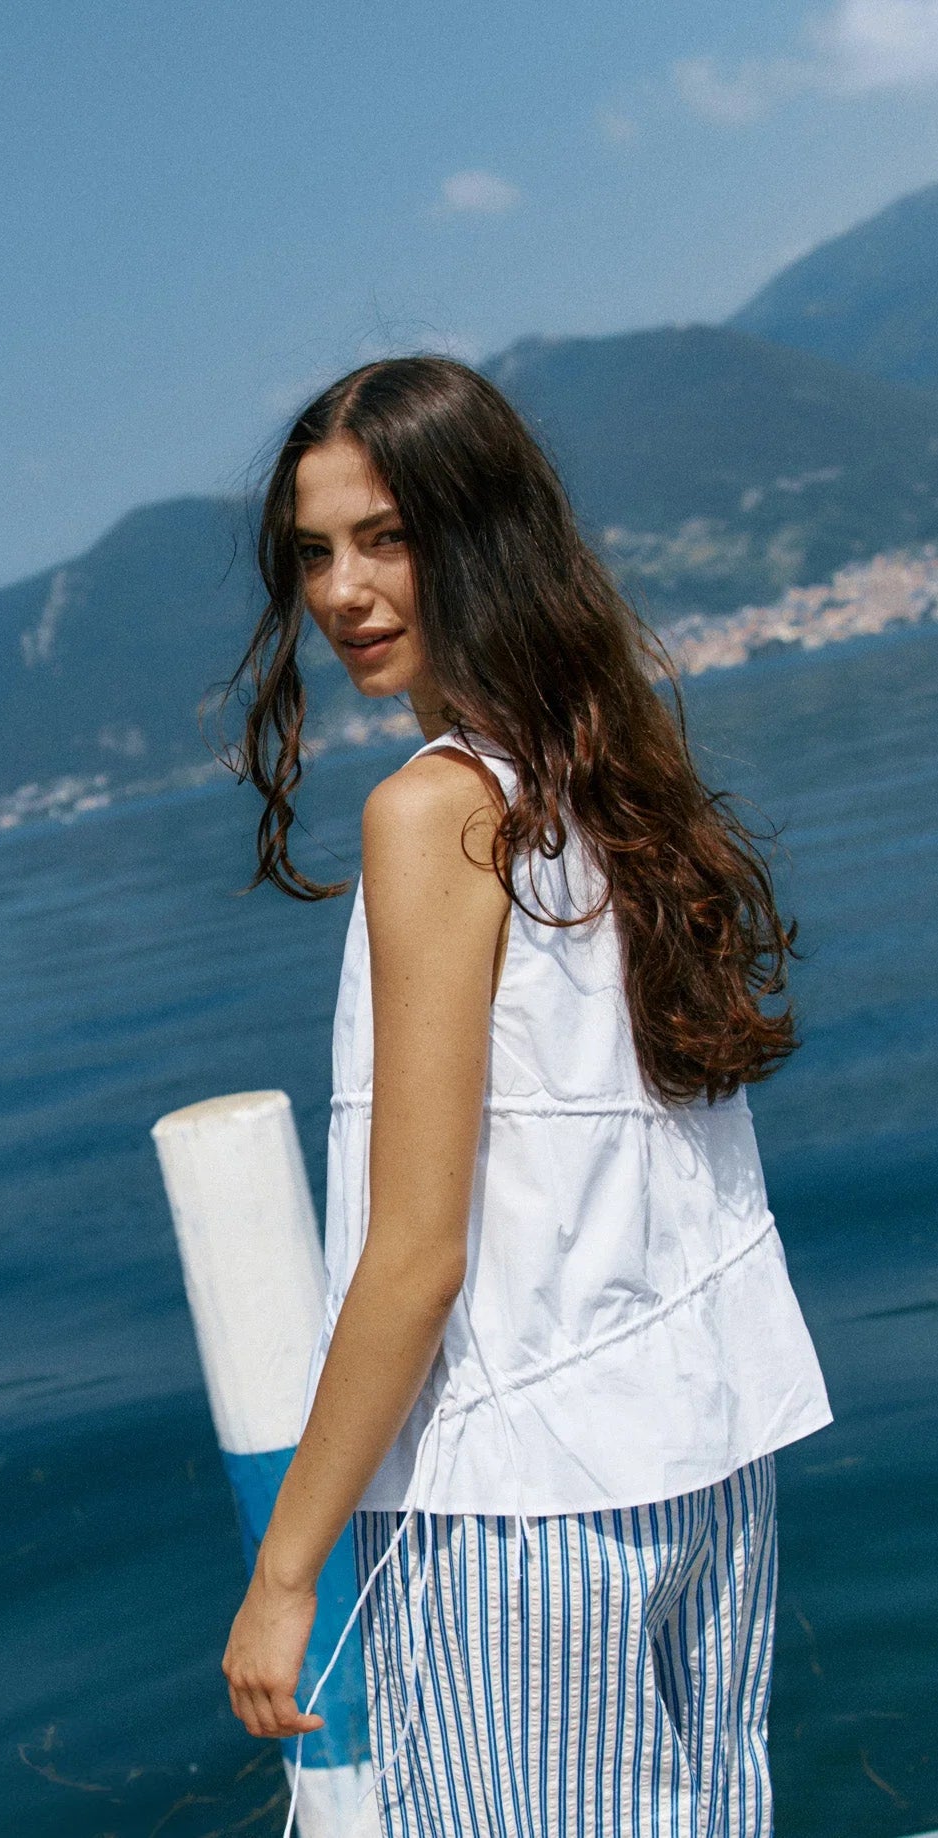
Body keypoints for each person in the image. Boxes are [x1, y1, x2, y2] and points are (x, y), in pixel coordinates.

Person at [213, 354, 833, 1837]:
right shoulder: (611, 778)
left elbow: (416, 1256)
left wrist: (286, 1571)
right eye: (314, 551)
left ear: (477, 533)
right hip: (703, 1466)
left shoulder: (435, 811)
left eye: (387, 537)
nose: (342, 591)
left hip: (518, 1509)